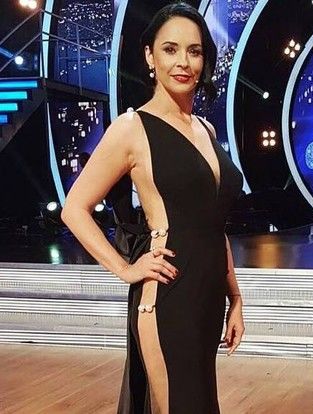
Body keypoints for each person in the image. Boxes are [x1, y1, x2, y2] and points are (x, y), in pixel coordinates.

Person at [61, 2, 245, 413]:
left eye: (194, 51)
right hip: (169, 296)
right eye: (170, 49)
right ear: (150, 56)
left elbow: (213, 225)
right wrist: (126, 269)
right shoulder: (132, 128)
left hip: (209, 298)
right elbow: (74, 208)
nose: (183, 62)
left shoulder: (206, 129)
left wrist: (235, 297)